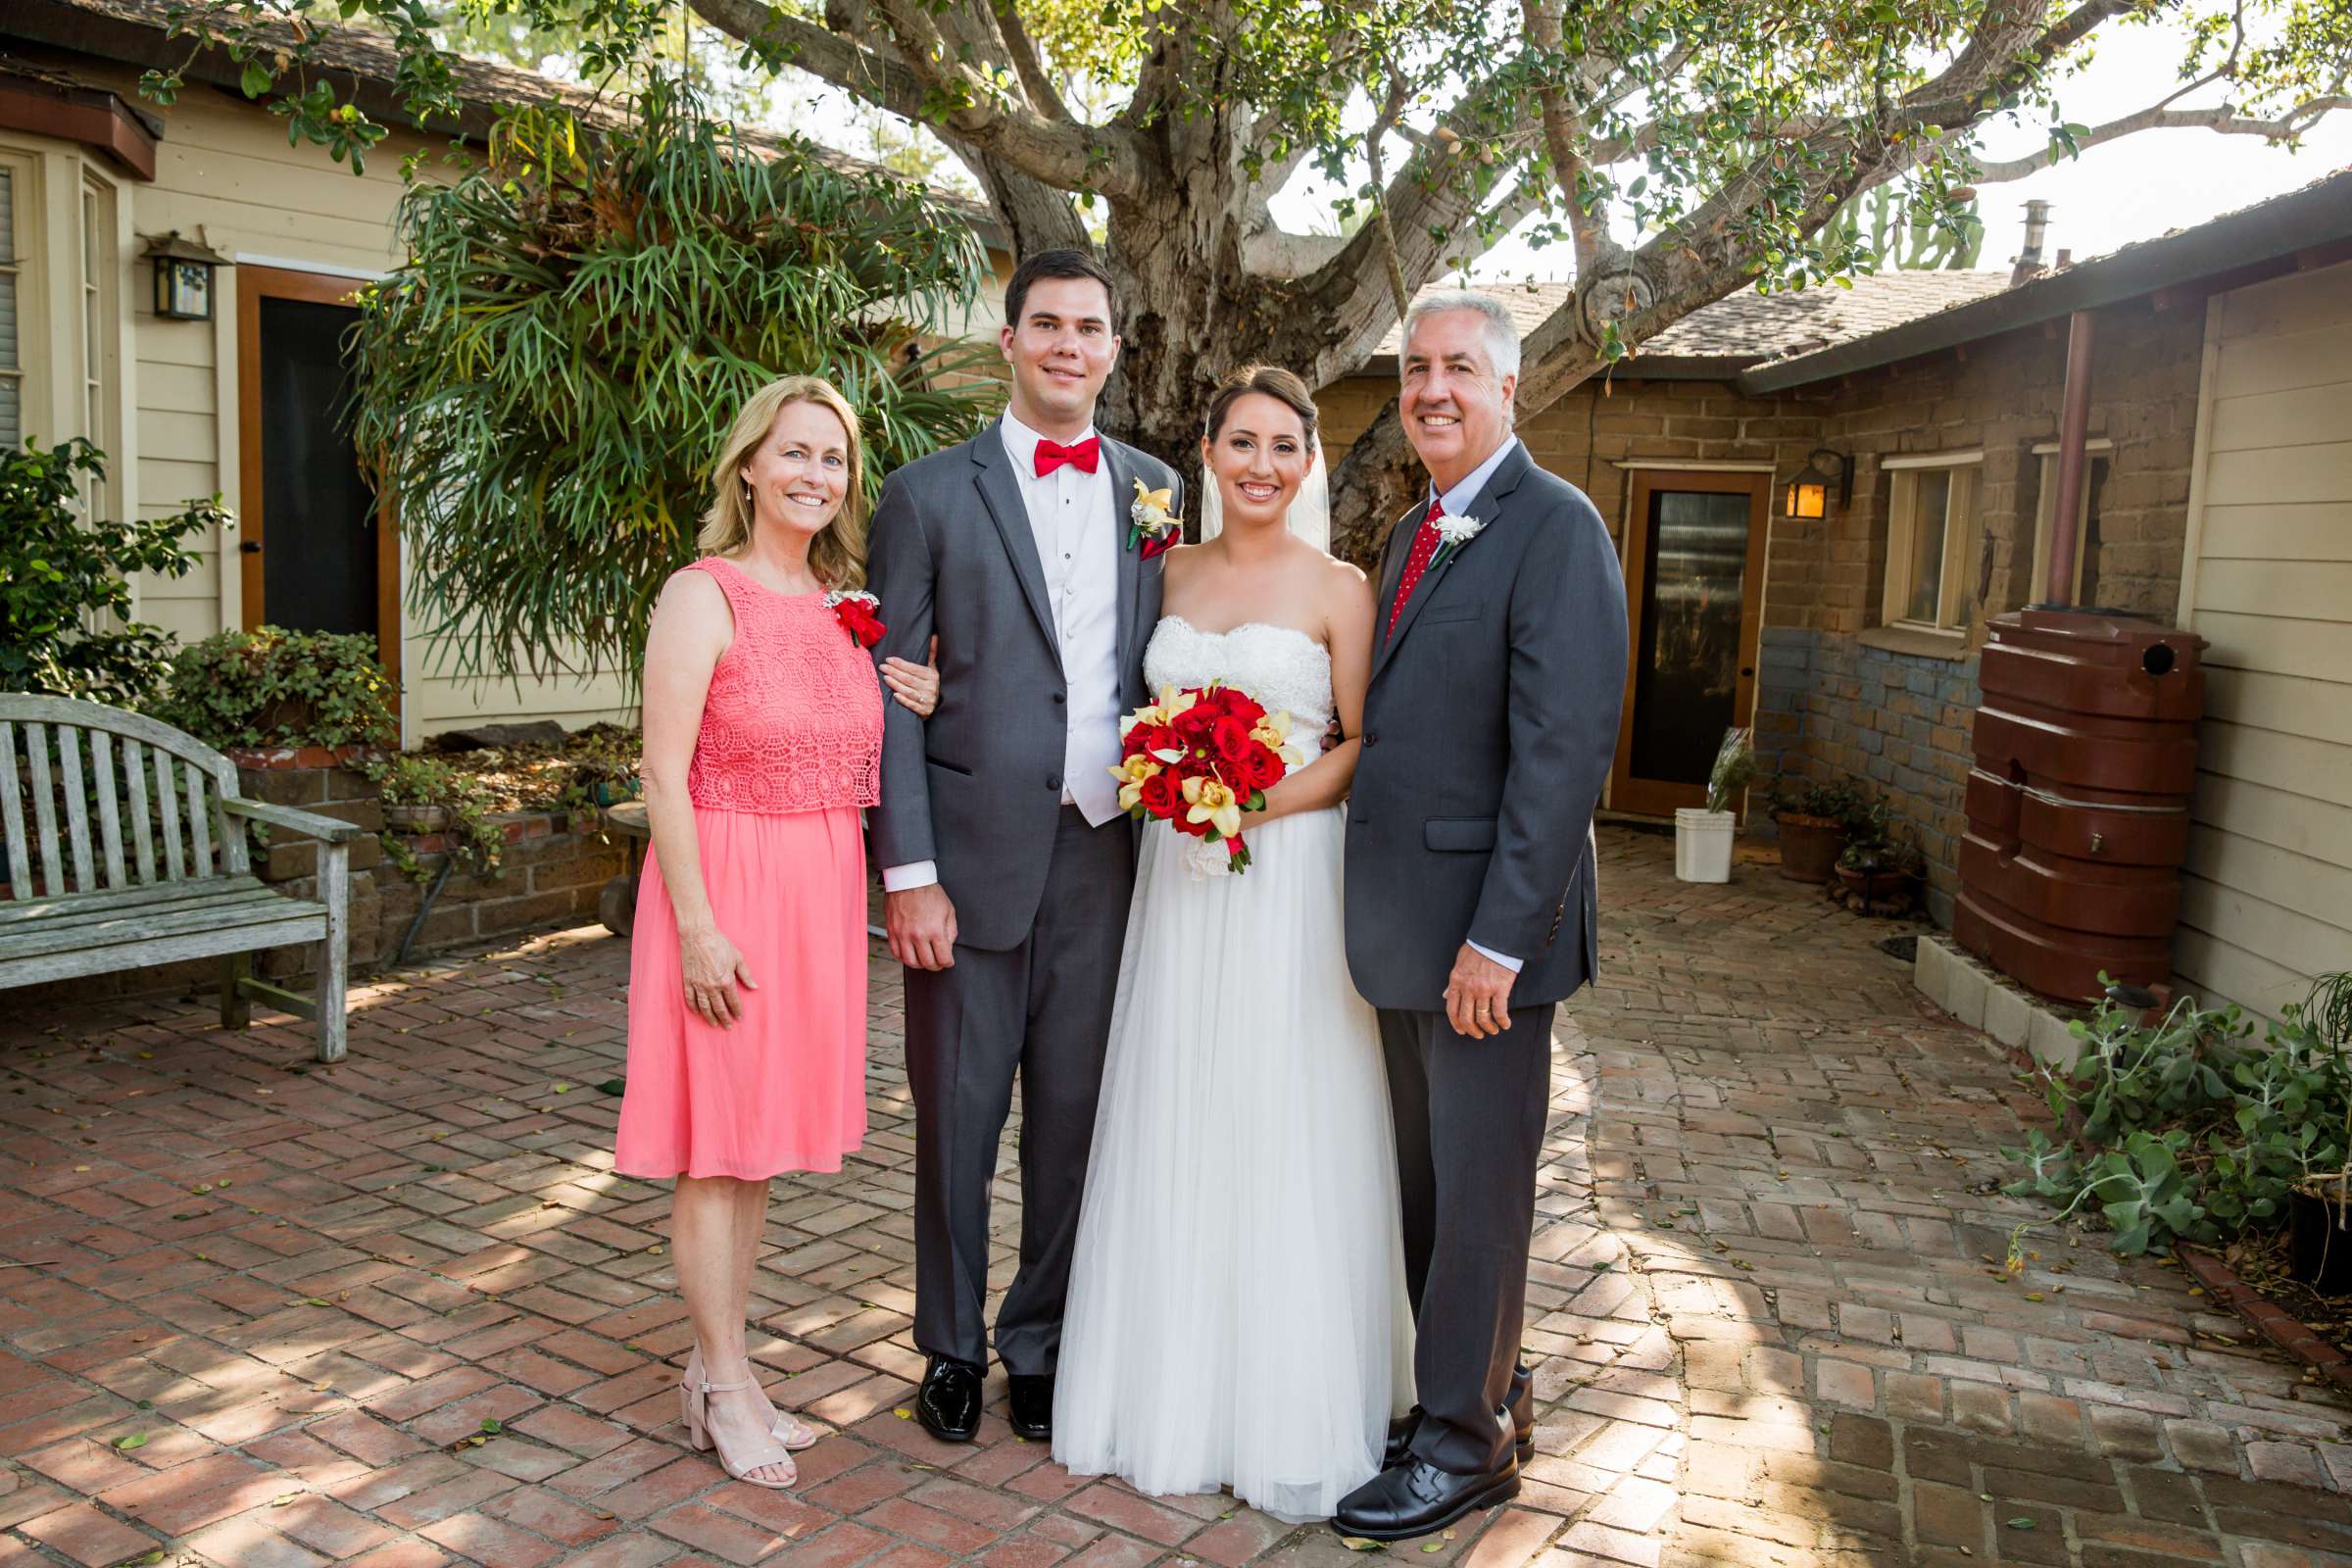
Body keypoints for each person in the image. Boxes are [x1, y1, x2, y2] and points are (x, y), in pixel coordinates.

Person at [1052, 366, 1412, 1521]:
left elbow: (1360, 742)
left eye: (1283, 446)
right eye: (1241, 442)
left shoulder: (1342, 587)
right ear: (1206, 452)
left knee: (1281, 1106)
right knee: (1177, 1104)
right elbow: (1100, 695)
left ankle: (1288, 1394)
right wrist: (1174, 783)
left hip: (1285, 871)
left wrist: (1252, 803)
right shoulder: (1167, 572)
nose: (1261, 464)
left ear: (1308, 460)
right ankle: (1168, 1386)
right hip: (1180, 877)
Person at [863, 251, 1184, 1446]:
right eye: (1044, 324)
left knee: (1075, 1115)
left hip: (1109, 854)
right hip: (967, 858)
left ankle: (1040, 1342)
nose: (1066, 345)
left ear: (1113, 347)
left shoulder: (1159, 492)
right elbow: (888, 692)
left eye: (1088, 327)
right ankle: (947, 1346)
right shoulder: (926, 494)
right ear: (1009, 341)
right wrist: (909, 872)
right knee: (955, 1117)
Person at [1333, 293, 1629, 1541]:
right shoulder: (1415, 529)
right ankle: (1478, 1392)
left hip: (1483, 945)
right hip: (1405, 931)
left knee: (1483, 1195)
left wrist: (1501, 939)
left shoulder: (1555, 527)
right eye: (1415, 369)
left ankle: (1463, 1450)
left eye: (1459, 367)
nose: (1433, 388)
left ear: (1511, 388)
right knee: (1430, 1190)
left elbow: (1562, 755)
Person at [613, 374, 940, 1490]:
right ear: (748, 466)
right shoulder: (701, 594)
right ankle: (721, 1379)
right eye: (794, 453)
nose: (815, 475)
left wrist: (919, 697)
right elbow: (662, 772)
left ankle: (727, 1369)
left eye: (834, 459)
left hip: (817, 891)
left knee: (754, 1153)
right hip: (726, 889)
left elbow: (861, 741)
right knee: (714, 1152)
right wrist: (697, 927)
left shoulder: (846, 608)